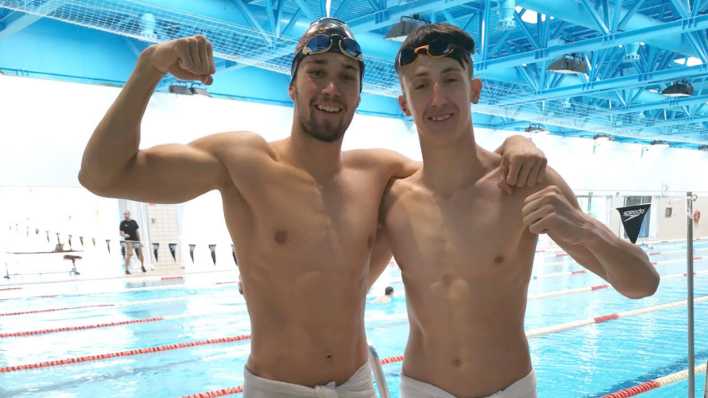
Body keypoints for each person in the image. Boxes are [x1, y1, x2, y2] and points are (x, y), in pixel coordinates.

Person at [79, 18, 546, 397]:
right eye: (317, 71)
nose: (331, 87)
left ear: (359, 97)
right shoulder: (243, 161)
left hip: (357, 384)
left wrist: (514, 142)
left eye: (346, 77)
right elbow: (102, 176)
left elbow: (460, 171)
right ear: (293, 86)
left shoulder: (379, 173)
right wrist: (149, 67)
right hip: (276, 389)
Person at [375, 23, 661, 398]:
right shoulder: (393, 199)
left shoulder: (523, 183)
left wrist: (584, 227)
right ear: (404, 103)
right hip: (422, 388)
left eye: (451, 79)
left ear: (474, 89)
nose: (438, 98)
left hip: (509, 389)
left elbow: (643, 285)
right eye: (421, 84)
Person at [119, 210, 146, 274]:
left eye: (126, 214)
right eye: (124, 214)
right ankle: (126, 269)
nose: (125, 215)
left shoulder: (134, 222)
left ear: (129, 214)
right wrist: (125, 235)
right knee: (130, 253)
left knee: (140, 253)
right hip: (129, 240)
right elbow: (121, 233)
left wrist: (140, 241)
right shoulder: (122, 223)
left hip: (136, 240)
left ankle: (142, 266)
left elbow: (137, 232)